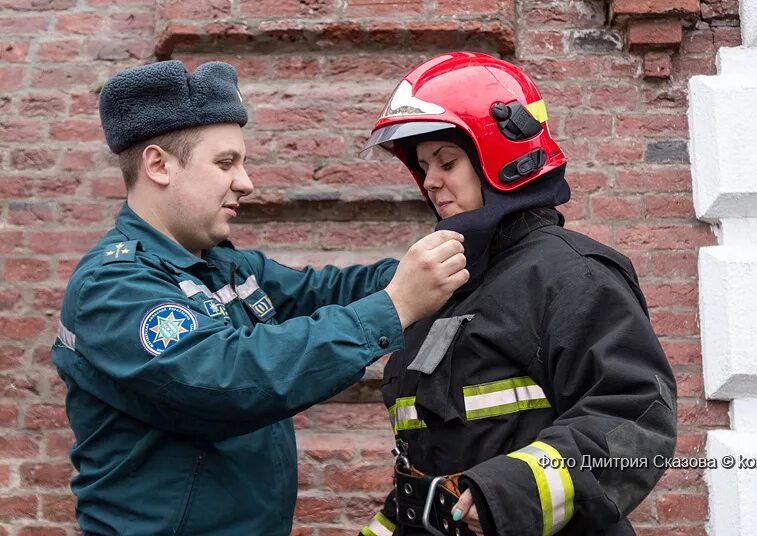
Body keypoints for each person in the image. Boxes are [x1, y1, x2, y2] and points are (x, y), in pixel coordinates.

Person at [51, 59, 469, 536]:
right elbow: (230, 377)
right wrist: (395, 307)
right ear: (158, 165)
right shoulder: (113, 287)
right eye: (226, 163)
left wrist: (448, 261)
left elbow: (326, 291)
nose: (246, 182)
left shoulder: (221, 267)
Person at [358, 52, 677, 536]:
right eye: (423, 166)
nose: (431, 182)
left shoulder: (571, 275)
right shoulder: (450, 285)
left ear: (501, 159)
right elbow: (427, 467)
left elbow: (635, 414)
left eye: (447, 162)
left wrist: (512, 493)